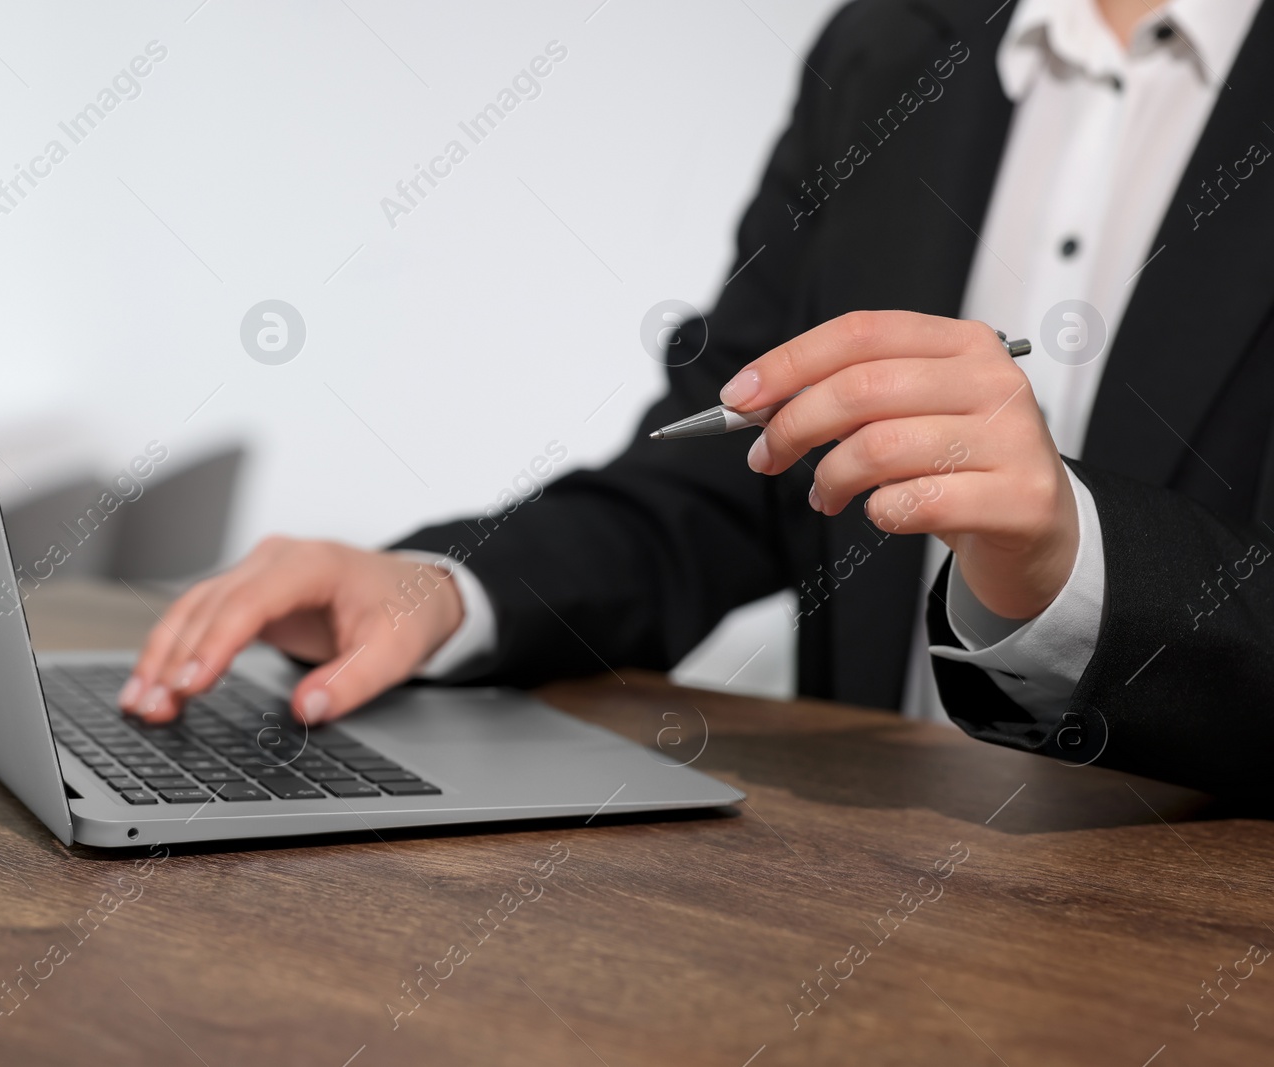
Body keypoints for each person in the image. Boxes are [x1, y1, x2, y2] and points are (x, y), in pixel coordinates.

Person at [120, 0, 1274, 803]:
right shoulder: (886, 50)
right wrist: (449, 589)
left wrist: (1077, 563)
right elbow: (717, 483)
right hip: (870, 910)